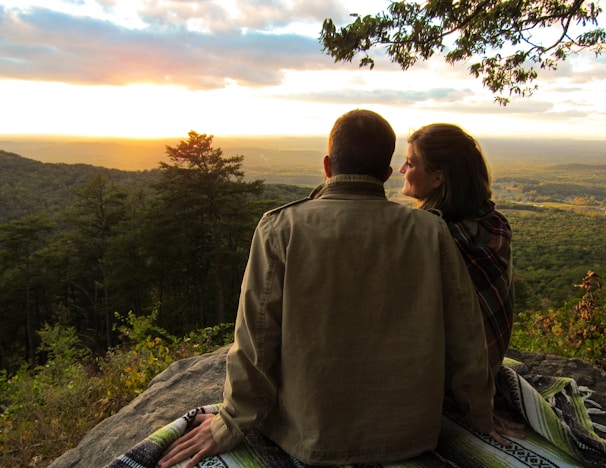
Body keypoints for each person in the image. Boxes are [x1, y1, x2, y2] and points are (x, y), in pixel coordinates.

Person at [159, 110, 503, 468]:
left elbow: (255, 341)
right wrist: (480, 419)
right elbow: (467, 341)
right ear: (386, 175)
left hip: (309, 438)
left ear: (327, 166)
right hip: (410, 438)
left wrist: (229, 423)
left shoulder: (281, 228)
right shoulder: (431, 231)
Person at [399, 123, 514, 375]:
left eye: (410, 163)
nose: (401, 169)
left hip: (455, 376)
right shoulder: (495, 223)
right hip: (488, 362)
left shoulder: (430, 236)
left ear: (438, 178)